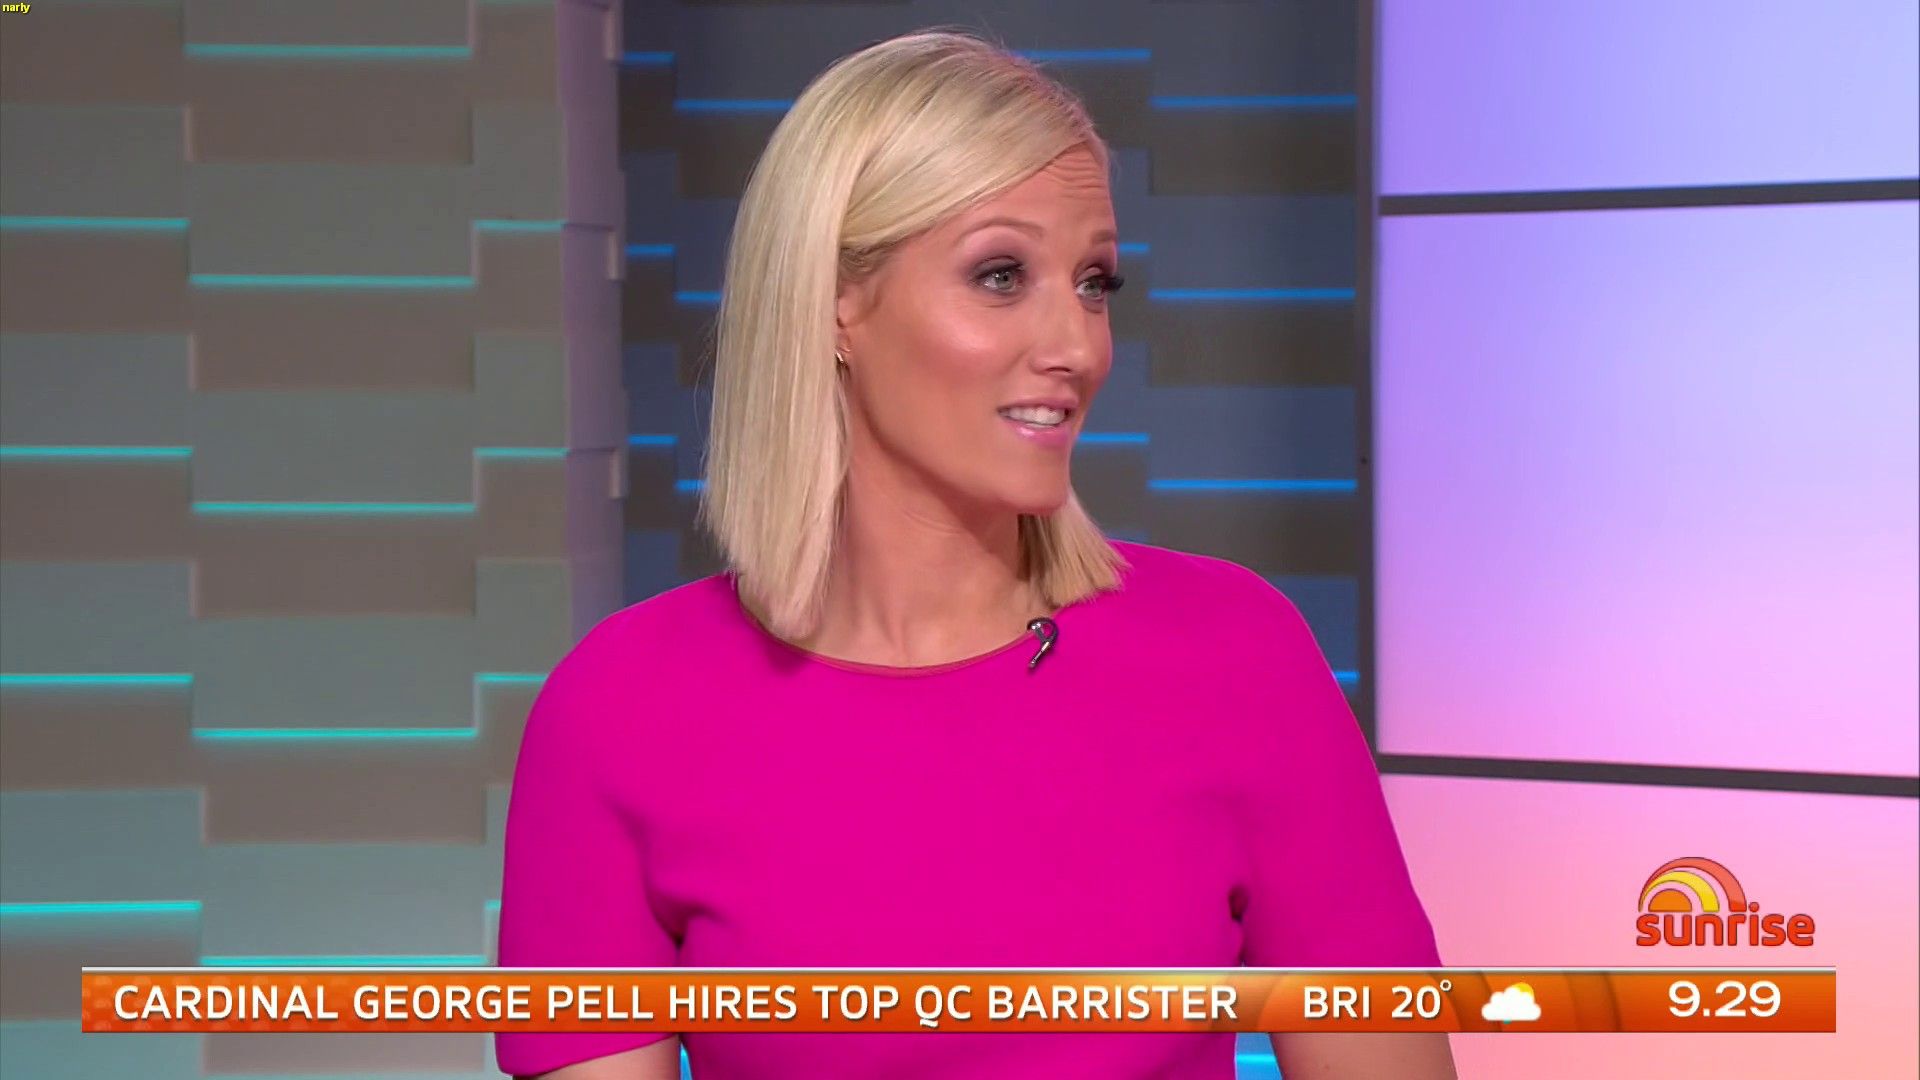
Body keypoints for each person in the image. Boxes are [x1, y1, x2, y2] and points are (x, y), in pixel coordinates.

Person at [495, 27, 1454, 1080]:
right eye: (1002, 275)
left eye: (1094, 283)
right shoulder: (621, 711)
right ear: (835, 303)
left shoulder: (1237, 656)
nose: (1078, 347)